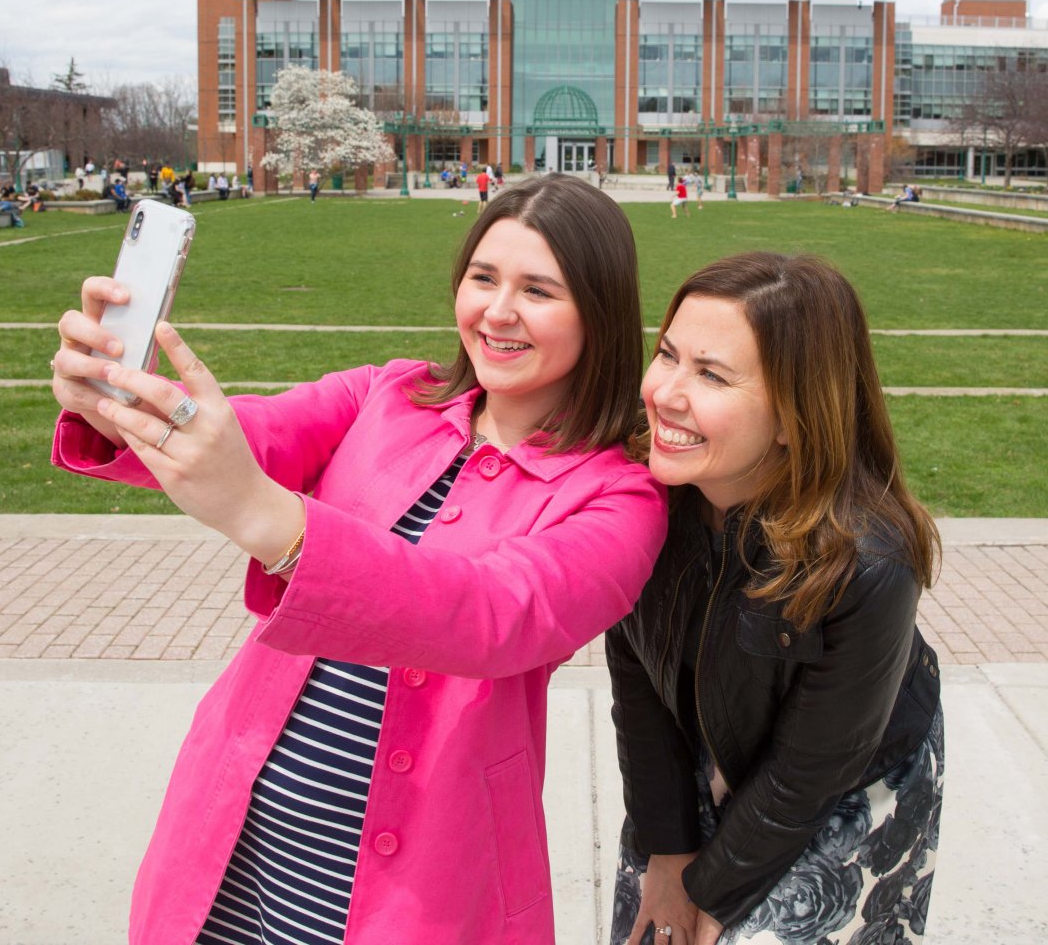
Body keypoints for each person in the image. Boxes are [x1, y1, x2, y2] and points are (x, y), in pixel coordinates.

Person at [49, 173, 668, 944]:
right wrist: (113, 400)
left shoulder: (618, 499)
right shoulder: (387, 395)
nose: (498, 312)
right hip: (244, 835)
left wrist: (269, 520)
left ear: (599, 314)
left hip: (419, 883)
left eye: (538, 291)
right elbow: (251, 437)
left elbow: (488, 615)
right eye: (482, 277)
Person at [607, 251, 943, 945]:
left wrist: (713, 897)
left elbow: (810, 770)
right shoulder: (636, 502)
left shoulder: (869, 562)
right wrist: (667, 854)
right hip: (705, 745)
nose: (665, 393)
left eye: (710, 375)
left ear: (794, 415)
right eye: (667, 355)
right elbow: (637, 684)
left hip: (838, 782)